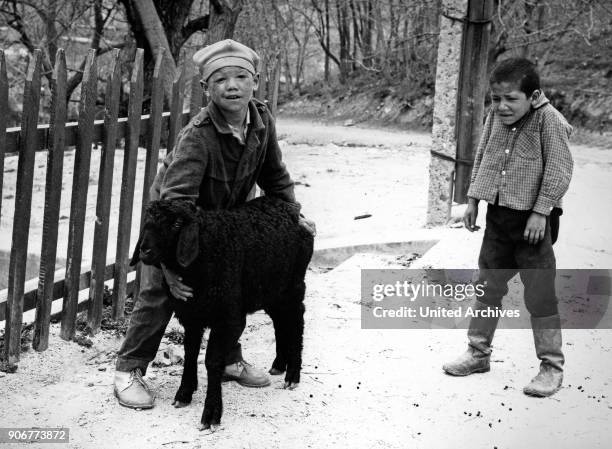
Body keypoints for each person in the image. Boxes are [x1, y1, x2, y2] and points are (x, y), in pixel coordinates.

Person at [114, 39, 315, 409]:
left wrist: (293, 213)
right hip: (179, 218)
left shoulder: (261, 120)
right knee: (163, 292)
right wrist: (169, 266)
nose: (232, 86)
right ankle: (129, 369)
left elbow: (275, 174)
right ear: (206, 88)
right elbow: (174, 203)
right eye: (220, 80)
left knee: (229, 289)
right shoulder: (198, 135)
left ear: (255, 81)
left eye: (241, 76)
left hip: (225, 222)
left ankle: (226, 359)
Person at [442, 58, 574, 397]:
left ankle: (551, 367)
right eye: (495, 99)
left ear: (534, 96)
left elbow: (559, 170)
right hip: (498, 220)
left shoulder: (549, 121)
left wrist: (541, 211)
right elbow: (484, 156)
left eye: (510, 99)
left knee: (539, 294)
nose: (501, 106)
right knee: (488, 286)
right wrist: (473, 199)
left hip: (533, 225)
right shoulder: (495, 119)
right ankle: (477, 353)